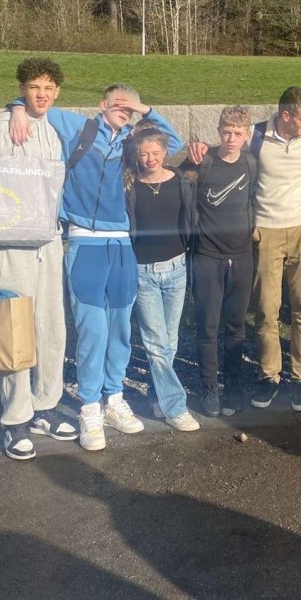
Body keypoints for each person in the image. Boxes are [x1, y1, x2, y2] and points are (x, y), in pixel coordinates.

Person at [8, 83, 183, 451]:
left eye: (129, 107)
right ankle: (89, 407)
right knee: (93, 331)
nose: (124, 110)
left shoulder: (133, 142)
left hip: (122, 246)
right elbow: (38, 104)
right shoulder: (79, 128)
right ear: (102, 104)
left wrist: (144, 109)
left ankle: (113, 399)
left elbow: (175, 143)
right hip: (85, 242)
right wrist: (18, 108)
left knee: (120, 330)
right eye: (118, 104)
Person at [188, 86, 301, 412]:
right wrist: (197, 148)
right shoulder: (257, 136)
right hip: (266, 231)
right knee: (267, 309)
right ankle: (269, 376)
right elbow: (223, 148)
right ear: (286, 116)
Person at [0, 57, 76, 460]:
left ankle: (44, 406)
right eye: (34, 87)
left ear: (58, 92)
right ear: (21, 89)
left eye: (49, 88)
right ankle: (15, 420)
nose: (42, 94)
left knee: (51, 328)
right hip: (11, 248)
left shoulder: (53, 131)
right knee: (15, 330)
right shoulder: (1, 128)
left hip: (48, 246)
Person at [124, 125, 199, 433]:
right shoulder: (130, 185)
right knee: (156, 345)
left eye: (155, 152)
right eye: (143, 154)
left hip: (176, 268)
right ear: (135, 155)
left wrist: (144, 110)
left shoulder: (180, 181)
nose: (150, 159)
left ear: (165, 152)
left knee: (170, 342)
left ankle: (156, 395)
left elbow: (190, 219)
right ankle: (175, 408)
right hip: (143, 272)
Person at [183, 107, 257, 418]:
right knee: (208, 326)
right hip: (207, 256)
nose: (231, 138)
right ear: (218, 131)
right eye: (226, 132)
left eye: (238, 133)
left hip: (241, 256)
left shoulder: (251, 163)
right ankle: (209, 387)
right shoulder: (204, 161)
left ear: (247, 135)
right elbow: (176, 177)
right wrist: (191, 153)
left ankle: (234, 386)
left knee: (236, 326)